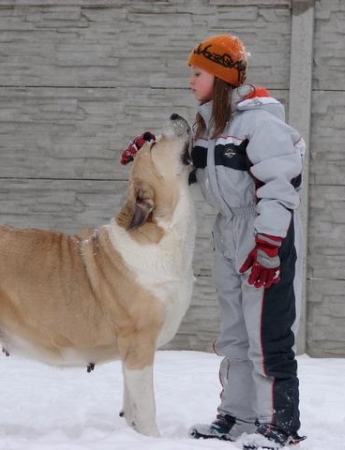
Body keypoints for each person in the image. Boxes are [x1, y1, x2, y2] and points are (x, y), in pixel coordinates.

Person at [121, 34, 306, 450]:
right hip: (229, 235)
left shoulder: (260, 123)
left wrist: (269, 247)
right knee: (236, 333)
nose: (190, 80)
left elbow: (281, 186)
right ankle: (239, 415)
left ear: (220, 78)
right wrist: (149, 154)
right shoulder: (211, 125)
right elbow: (188, 172)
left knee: (267, 333)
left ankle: (280, 423)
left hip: (262, 235)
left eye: (197, 73)